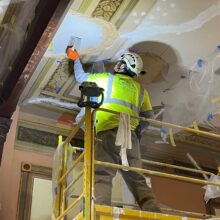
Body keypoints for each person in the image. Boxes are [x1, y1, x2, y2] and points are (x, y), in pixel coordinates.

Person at [66, 48, 161, 212]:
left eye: (120, 62)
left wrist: (75, 59)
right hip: (130, 138)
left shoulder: (107, 79)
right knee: (137, 178)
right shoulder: (141, 90)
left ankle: (101, 213)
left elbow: (81, 77)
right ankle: (154, 212)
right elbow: (148, 116)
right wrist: (137, 133)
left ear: (124, 67)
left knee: (103, 174)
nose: (117, 64)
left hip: (109, 133)